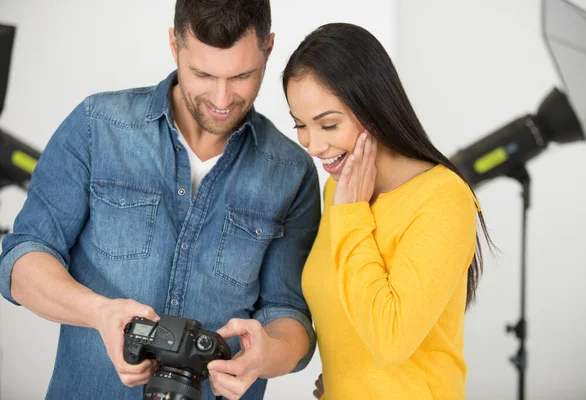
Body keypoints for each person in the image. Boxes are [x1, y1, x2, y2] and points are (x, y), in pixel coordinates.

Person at [0, 1, 320, 399]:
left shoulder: (291, 171)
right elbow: (21, 261)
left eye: (242, 76)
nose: (222, 99)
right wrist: (99, 312)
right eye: (202, 74)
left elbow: (291, 316)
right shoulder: (97, 126)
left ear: (268, 48)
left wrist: (267, 353)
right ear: (174, 44)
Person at [282, 23, 492, 399]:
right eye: (300, 125)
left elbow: (390, 339)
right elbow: (347, 318)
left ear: (373, 107)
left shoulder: (443, 198)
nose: (312, 145)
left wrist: (351, 214)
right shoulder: (338, 188)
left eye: (328, 124)